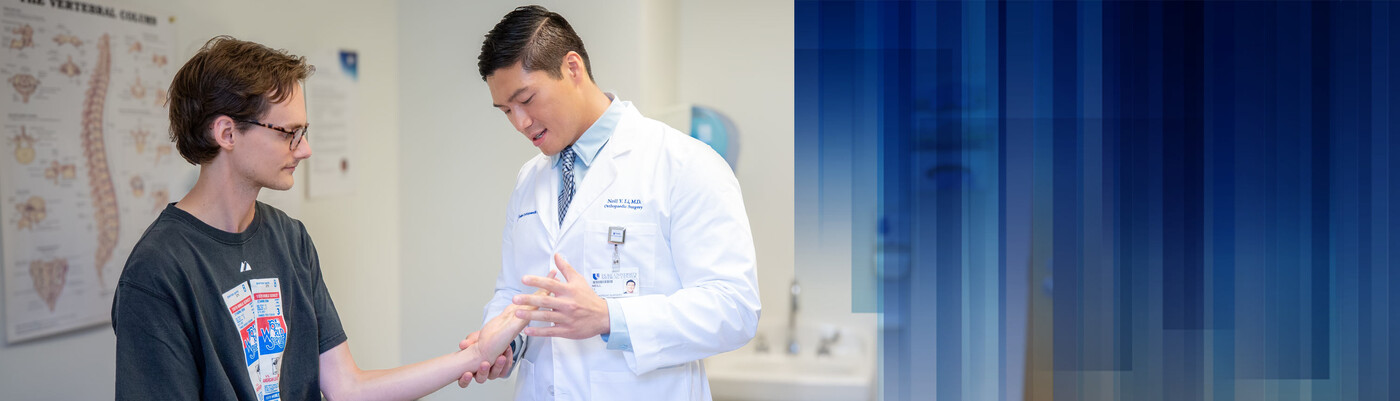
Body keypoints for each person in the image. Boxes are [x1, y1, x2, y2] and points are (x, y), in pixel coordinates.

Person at [111, 36, 540, 401]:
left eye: (304, 132)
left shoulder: (289, 238)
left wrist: (475, 355)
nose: (304, 149)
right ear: (226, 133)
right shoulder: (158, 270)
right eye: (289, 133)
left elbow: (347, 388)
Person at [461, 5, 761, 400]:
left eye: (527, 99)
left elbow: (735, 309)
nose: (520, 122)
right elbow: (513, 291)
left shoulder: (684, 163)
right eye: (506, 111)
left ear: (572, 68)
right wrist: (504, 344)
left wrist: (610, 318)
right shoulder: (528, 180)